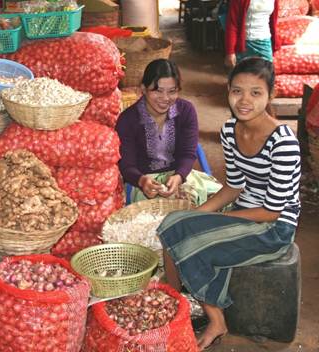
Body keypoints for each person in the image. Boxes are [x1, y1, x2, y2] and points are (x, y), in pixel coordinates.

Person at [157, 57, 301, 350]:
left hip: (274, 227)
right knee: (174, 227)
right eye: (237, 91)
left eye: (255, 93)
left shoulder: (283, 142)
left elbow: (272, 210)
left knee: (181, 234)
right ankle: (177, 304)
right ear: (229, 92)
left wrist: (198, 224)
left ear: (270, 95)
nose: (244, 100)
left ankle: (215, 319)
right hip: (245, 211)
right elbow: (233, 187)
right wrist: (196, 216)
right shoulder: (230, 131)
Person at [116, 58, 220, 206]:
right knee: (177, 211)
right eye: (158, 91)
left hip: (181, 176)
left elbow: (188, 153)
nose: (165, 98)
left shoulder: (186, 111)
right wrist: (142, 180)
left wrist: (179, 176)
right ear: (143, 89)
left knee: (221, 201)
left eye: (172, 91)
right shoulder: (128, 120)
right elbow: (127, 165)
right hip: (144, 184)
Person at [225, 0, 280, 67]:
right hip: (245, 45)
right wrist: (230, 52)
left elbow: (273, 23)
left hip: (265, 43)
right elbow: (232, 24)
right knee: (244, 75)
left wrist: (274, 44)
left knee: (266, 74)